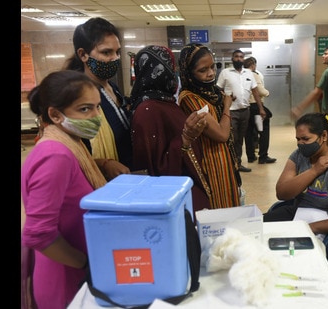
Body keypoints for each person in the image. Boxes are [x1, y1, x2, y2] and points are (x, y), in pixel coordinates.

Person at [21, 70, 107, 309]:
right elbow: (38, 233)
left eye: (97, 107)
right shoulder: (55, 156)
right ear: (55, 114)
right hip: (66, 281)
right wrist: (85, 264)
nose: (96, 116)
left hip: (75, 274)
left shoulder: (70, 145)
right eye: (85, 109)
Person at [129, 45, 211, 216]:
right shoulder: (147, 111)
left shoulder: (166, 102)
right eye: (168, 68)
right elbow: (152, 168)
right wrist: (186, 138)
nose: (172, 74)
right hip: (173, 200)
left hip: (187, 186)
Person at [263, 112, 328, 241]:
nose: (300, 144)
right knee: (253, 230)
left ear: (324, 136)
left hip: (324, 222)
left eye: (305, 139)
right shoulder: (299, 155)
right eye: (298, 139)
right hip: (297, 213)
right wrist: (314, 171)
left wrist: (312, 227)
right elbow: (282, 193)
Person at [62, 17, 133, 180]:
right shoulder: (76, 97)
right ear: (83, 54)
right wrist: (104, 164)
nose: (115, 58)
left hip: (126, 177)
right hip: (98, 182)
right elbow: (69, 150)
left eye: (117, 52)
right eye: (106, 52)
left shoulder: (113, 88)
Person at [178, 43, 242, 208]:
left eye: (213, 67)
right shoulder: (189, 98)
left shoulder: (212, 92)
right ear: (188, 73)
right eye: (203, 70)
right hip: (212, 162)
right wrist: (227, 106)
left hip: (225, 158)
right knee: (219, 211)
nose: (211, 73)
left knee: (231, 207)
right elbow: (221, 135)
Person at [216, 49, 265, 172]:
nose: (239, 59)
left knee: (240, 138)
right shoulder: (225, 73)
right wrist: (225, 97)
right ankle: (230, 164)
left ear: (243, 59)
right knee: (231, 138)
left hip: (245, 111)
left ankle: (237, 163)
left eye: (241, 57)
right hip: (230, 111)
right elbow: (218, 89)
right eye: (236, 57)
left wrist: (261, 108)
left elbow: (255, 92)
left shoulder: (249, 73)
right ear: (232, 59)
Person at [243, 56, 277, 164]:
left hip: (245, 108)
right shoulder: (254, 75)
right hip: (256, 107)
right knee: (263, 130)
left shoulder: (240, 75)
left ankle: (251, 156)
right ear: (253, 65)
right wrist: (267, 93)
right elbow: (260, 91)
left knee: (248, 132)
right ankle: (263, 156)